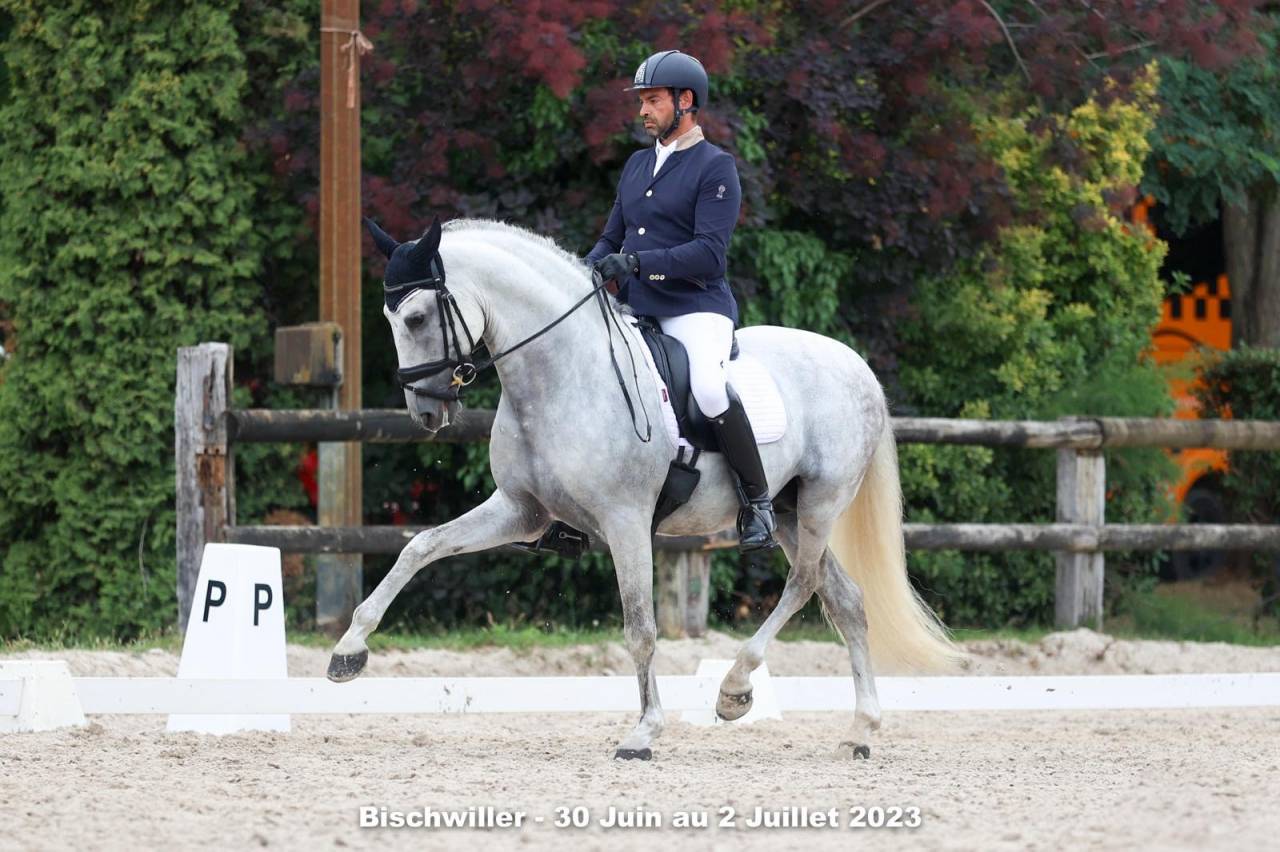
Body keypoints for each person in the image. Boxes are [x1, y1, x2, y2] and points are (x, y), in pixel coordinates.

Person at [586, 49, 776, 552]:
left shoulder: (716, 168)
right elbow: (611, 237)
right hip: (638, 307)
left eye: (652, 101)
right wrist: (586, 271)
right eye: (642, 102)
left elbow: (709, 254)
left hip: (695, 308)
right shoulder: (636, 164)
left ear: (684, 101)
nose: (643, 111)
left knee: (711, 390)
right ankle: (570, 510)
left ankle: (757, 501)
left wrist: (638, 265)